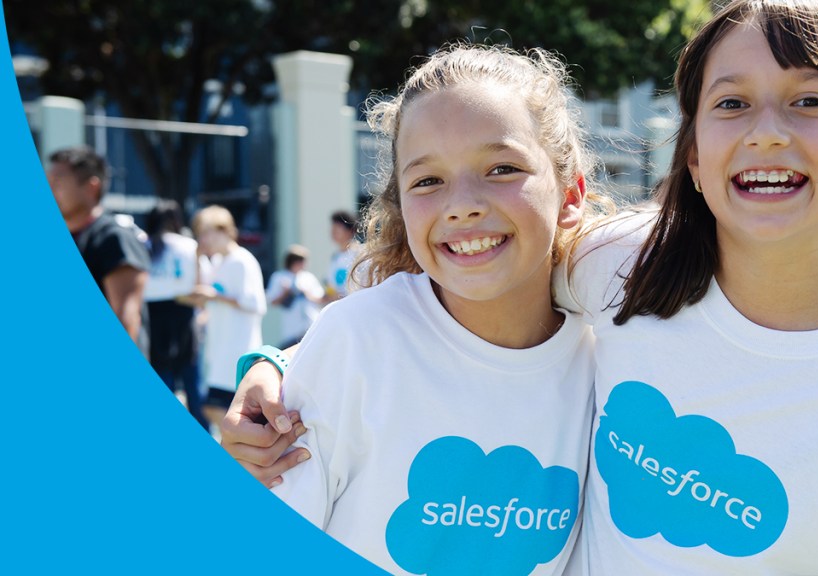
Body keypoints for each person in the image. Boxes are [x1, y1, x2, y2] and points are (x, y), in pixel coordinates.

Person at [224, 1, 818, 572]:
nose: (766, 131)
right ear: (695, 156)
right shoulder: (620, 268)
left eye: (809, 100)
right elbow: (469, 287)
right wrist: (276, 367)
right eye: (731, 103)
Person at [243, 44, 604, 575]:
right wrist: (272, 362)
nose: (461, 203)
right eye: (428, 180)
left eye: (502, 167)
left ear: (570, 196)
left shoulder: (606, 363)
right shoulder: (356, 342)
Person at [47, 146, 150, 356]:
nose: (49, 187)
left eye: (58, 180)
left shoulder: (113, 238)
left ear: (91, 187)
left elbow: (126, 321)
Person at [188, 205, 266, 429]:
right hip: (219, 355)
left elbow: (256, 304)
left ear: (223, 230)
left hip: (239, 352)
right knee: (215, 410)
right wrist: (197, 258)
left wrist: (217, 296)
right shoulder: (219, 262)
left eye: (206, 233)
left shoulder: (242, 260)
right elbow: (201, 294)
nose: (203, 239)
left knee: (226, 412)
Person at [143, 199, 208, 430]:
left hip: (152, 314)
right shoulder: (188, 245)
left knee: (162, 376)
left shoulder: (144, 244)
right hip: (183, 310)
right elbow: (202, 285)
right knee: (191, 378)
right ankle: (203, 428)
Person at [265, 244, 324, 348]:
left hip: (311, 324)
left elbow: (320, 298)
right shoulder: (279, 277)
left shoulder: (308, 277)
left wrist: (306, 293)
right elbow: (272, 302)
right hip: (291, 329)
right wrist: (285, 293)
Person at [324, 210, 362, 302]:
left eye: (338, 227)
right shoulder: (335, 257)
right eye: (333, 227)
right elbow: (331, 287)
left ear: (350, 230)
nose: (333, 231)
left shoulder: (360, 253)